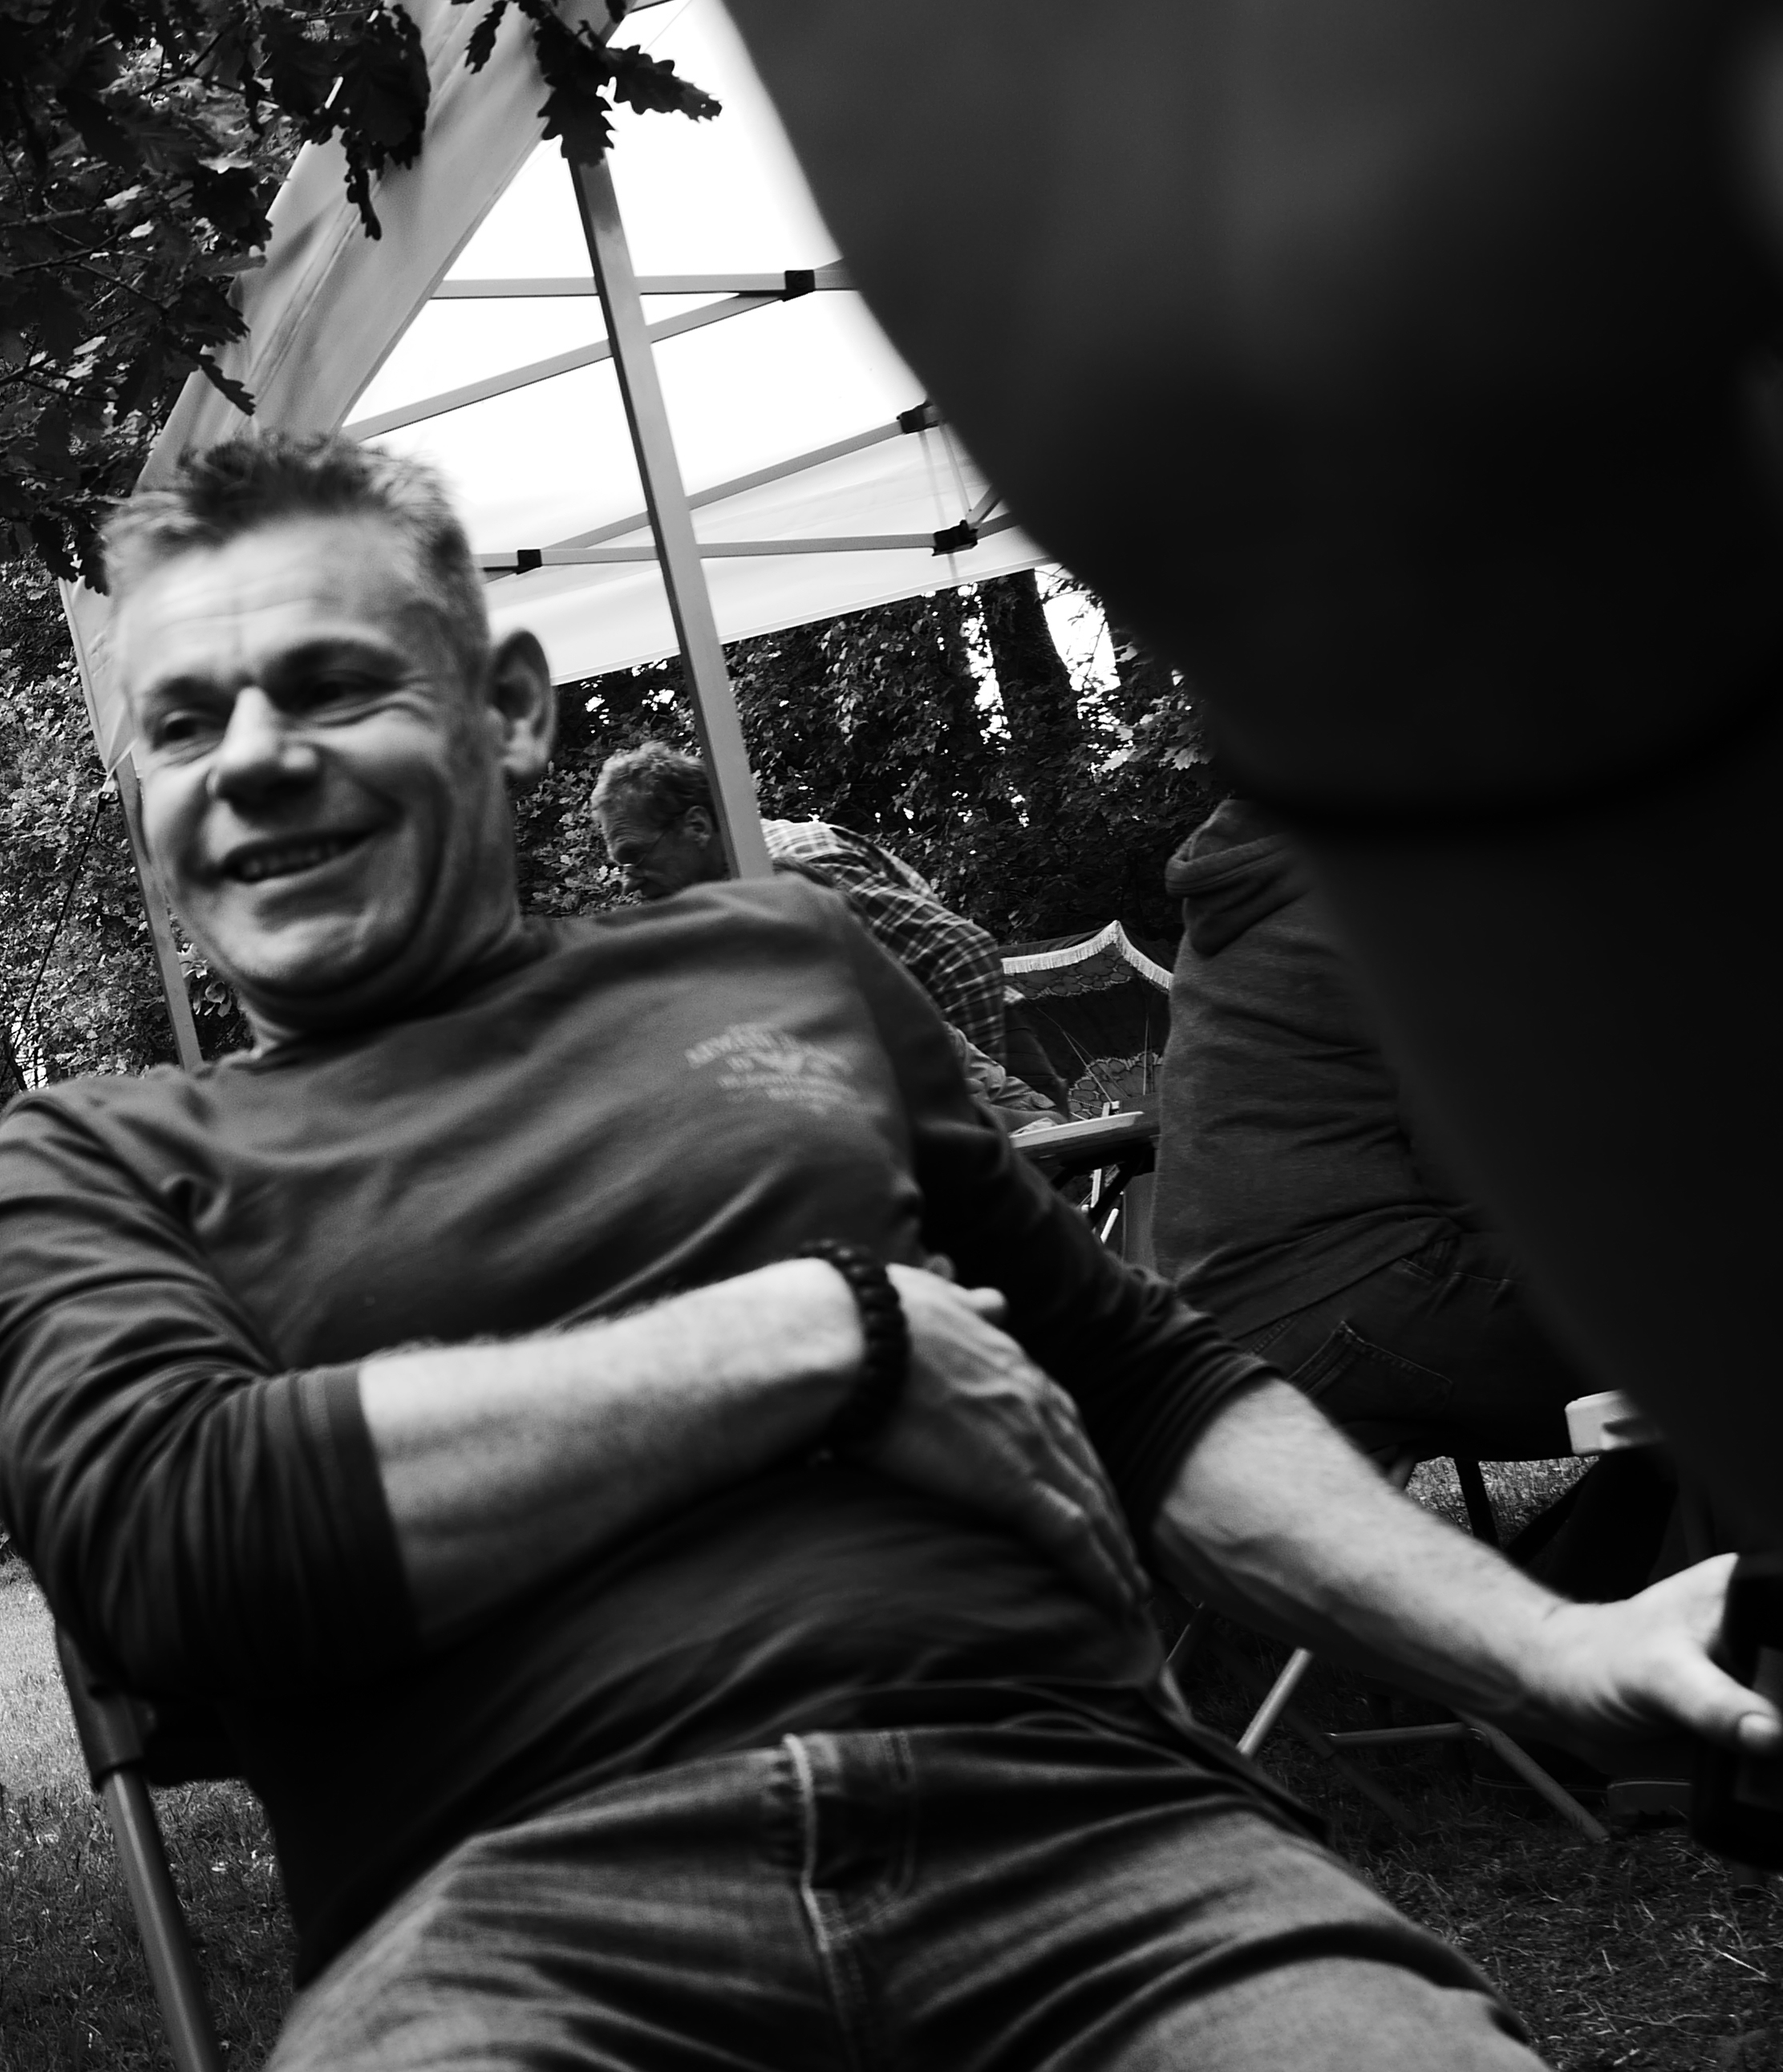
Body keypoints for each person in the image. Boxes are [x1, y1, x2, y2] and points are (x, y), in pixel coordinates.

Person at [0, 433, 1769, 2068]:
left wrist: (1554, 1643)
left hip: (1090, 1847)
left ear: (507, 709)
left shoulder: (780, 962)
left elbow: (1142, 1387)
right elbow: (174, 1540)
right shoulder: (89, 1163)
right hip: (515, 1932)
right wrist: (824, 1334)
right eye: (182, 723)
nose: (253, 760)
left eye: (330, 685)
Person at [714, 0, 1783, 1549]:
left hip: (1229, 1288)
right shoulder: (1331, 853)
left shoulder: (1266, 852)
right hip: (1329, 1296)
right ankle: (1653, 1608)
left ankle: (1631, 1594)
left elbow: (956, 982)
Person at [1155, 795, 1688, 1596]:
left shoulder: (1267, 888)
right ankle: (1633, 1635)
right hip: (1360, 1300)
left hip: (1233, 1332)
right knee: (1730, 1335)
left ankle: (1595, 1621)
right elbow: (1479, 1172)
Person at [588, 744, 1060, 1125]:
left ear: (696, 825)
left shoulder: (791, 878)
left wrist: (959, 1092)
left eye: (634, 856)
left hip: (973, 1026)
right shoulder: (724, 902)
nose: (628, 881)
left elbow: (962, 952)